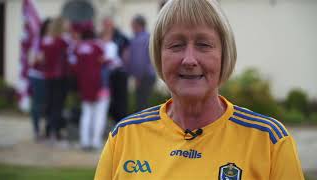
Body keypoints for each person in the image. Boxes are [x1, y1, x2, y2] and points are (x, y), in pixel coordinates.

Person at [94, 0, 304, 179]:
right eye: (176, 45)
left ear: (224, 55)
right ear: (159, 56)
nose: (189, 59)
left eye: (204, 45)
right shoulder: (124, 137)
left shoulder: (268, 141)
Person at [72, 29, 110, 150]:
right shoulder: (98, 46)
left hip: (84, 85)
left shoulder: (78, 48)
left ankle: (84, 141)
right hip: (99, 84)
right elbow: (105, 62)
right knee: (99, 114)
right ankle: (95, 141)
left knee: (86, 113)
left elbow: (74, 67)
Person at [39, 17, 69, 142]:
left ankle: (47, 130)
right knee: (57, 105)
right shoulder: (62, 41)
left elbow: (42, 59)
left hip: (48, 76)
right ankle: (55, 132)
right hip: (59, 76)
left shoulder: (45, 41)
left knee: (50, 103)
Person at [101, 16, 130, 123]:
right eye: (105, 25)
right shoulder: (99, 37)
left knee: (120, 100)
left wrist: (124, 64)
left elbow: (127, 52)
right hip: (104, 74)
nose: (107, 27)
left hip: (118, 72)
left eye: (109, 24)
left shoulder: (120, 37)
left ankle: (121, 122)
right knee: (107, 100)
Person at [28, 18, 51, 141]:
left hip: (48, 76)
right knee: (37, 104)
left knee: (47, 105)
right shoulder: (39, 40)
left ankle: (45, 130)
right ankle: (37, 131)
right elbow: (33, 59)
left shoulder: (55, 40)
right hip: (38, 75)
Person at [127, 14, 156, 112]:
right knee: (145, 103)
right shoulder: (148, 37)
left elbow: (139, 61)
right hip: (149, 74)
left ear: (137, 25)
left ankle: (143, 127)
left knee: (141, 105)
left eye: (132, 25)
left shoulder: (139, 40)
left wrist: (138, 77)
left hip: (143, 76)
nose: (131, 27)